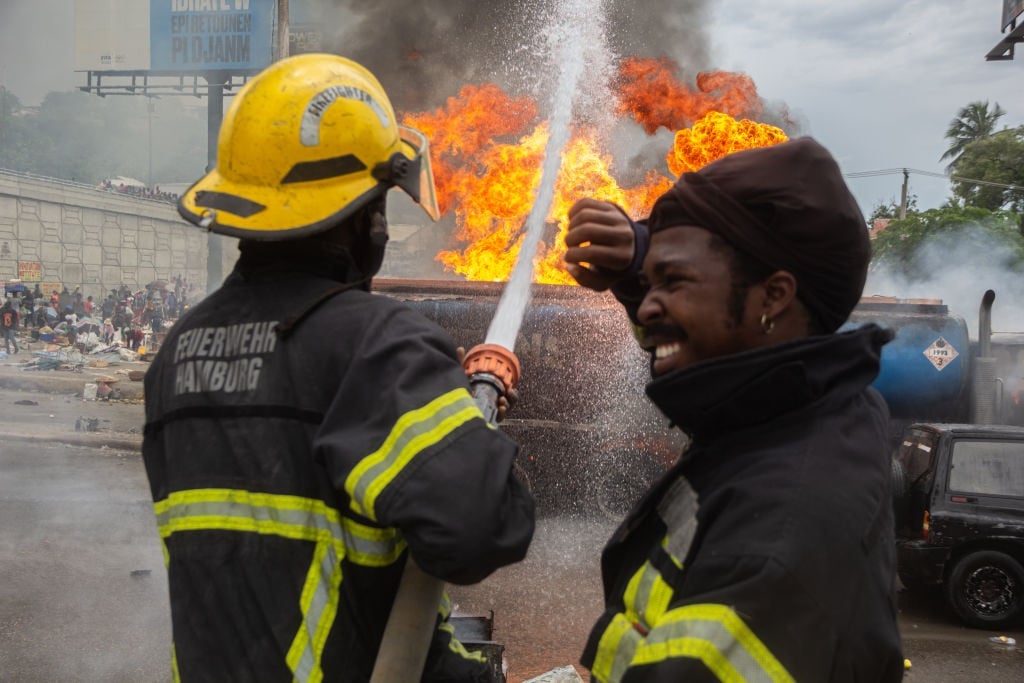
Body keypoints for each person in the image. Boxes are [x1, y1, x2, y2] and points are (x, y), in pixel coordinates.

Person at [142, 53, 534, 682]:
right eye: (380, 205)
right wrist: (467, 425)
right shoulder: (378, 344)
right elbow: (479, 531)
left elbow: (297, 528)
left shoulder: (179, 350)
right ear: (363, 219)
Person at [563, 137, 903, 682]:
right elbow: (724, 330)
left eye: (671, 282)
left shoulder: (772, 545)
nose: (647, 306)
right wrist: (637, 257)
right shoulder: (815, 403)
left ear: (773, 297)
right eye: (649, 284)